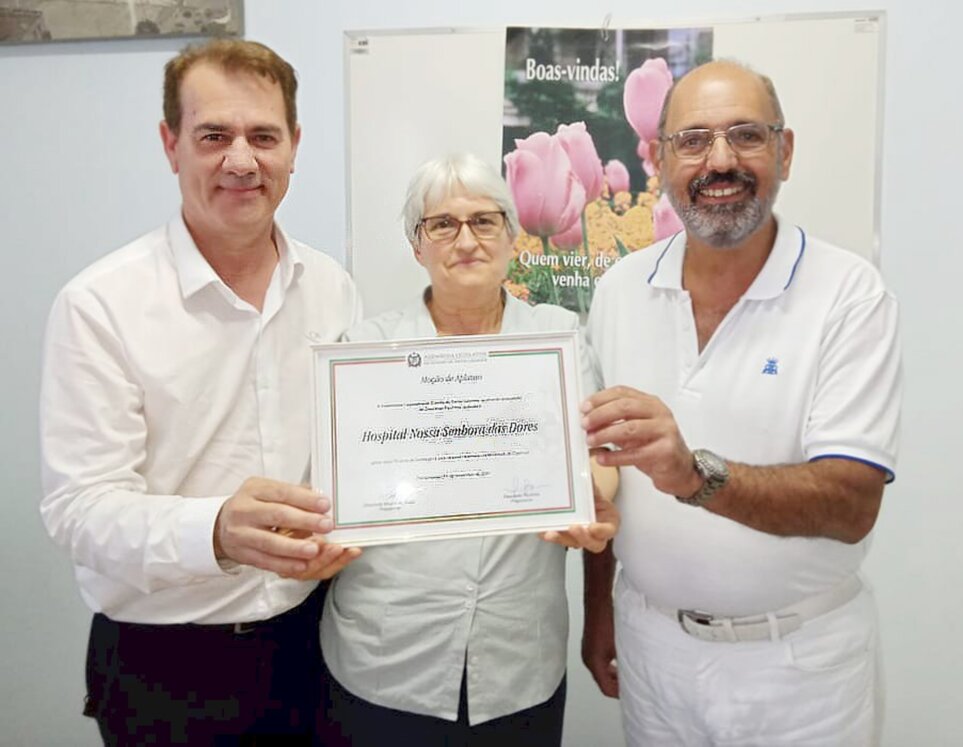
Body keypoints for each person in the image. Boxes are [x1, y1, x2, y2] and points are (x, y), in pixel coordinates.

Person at [39, 39, 362, 745]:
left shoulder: (333, 288)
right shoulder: (100, 304)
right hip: (165, 670)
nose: (241, 160)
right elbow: (77, 509)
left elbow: (352, 451)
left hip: (317, 647)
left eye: (264, 136)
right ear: (171, 144)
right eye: (214, 135)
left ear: (294, 146)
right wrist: (214, 529)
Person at [580, 60, 902, 746]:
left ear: (785, 151)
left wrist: (693, 475)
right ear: (657, 157)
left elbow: (851, 504)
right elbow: (602, 472)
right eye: (693, 140)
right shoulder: (618, 290)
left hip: (799, 669)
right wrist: (597, 607)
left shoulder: (850, 294)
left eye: (746, 136)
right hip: (652, 648)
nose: (719, 160)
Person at [315, 153, 619, 747]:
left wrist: (590, 499)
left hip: (516, 663)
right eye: (442, 224)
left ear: (511, 236)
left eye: (484, 221)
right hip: (386, 658)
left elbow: (597, 458)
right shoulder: (366, 348)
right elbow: (337, 483)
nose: (466, 240)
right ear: (416, 245)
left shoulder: (557, 338)